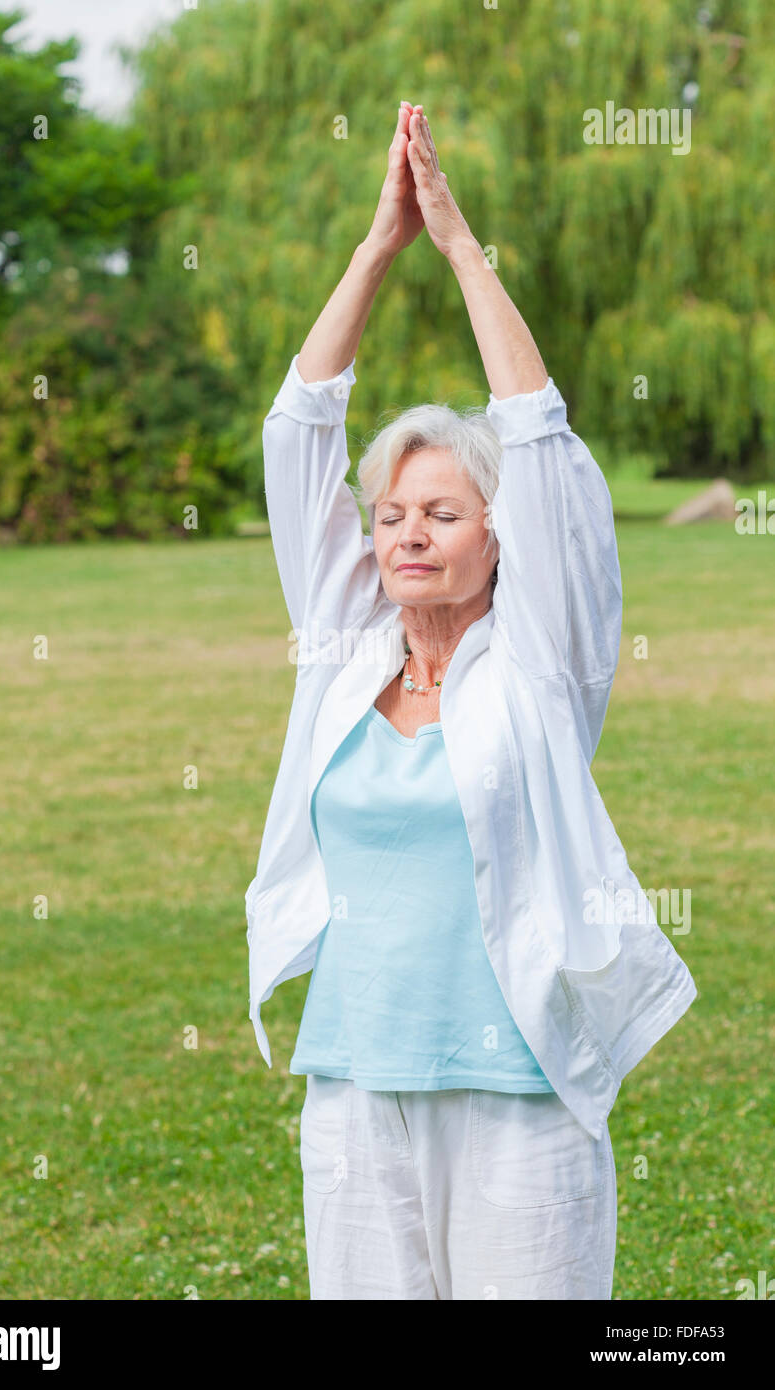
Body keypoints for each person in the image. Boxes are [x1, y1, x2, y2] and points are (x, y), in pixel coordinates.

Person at [245, 101, 697, 1300]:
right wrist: (373, 251)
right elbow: (297, 435)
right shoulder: (345, 649)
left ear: (496, 536)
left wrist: (454, 247)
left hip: (517, 1096)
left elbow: (537, 443)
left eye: (440, 514)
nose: (405, 535)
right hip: (353, 1087)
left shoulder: (540, 662)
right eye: (389, 515)